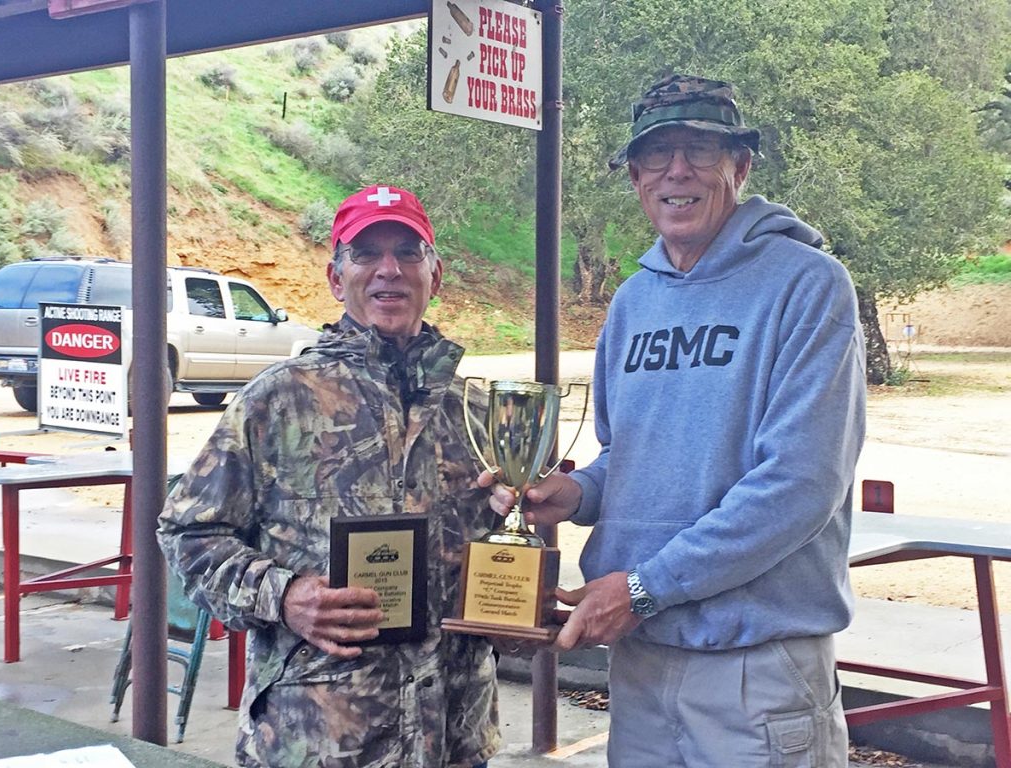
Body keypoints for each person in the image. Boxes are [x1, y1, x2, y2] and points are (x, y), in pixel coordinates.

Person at [482, 74, 867, 767]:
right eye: (658, 155)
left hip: (757, 667)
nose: (677, 172)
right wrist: (577, 495)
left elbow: (801, 483)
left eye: (699, 150)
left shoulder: (807, 285)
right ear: (635, 176)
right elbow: (625, 453)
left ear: (740, 167)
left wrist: (643, 588)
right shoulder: (634, 302)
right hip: (643, 660)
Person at [159, 185, 499, 768]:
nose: (388, 269)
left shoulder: (476, 412)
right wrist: (285, 596)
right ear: (337, 278)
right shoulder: (278, 399)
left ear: (435, 275)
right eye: (366, 253)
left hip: (454, 735)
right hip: (318, 739)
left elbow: (498, 547)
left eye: (408, 252)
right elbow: (188, 533)